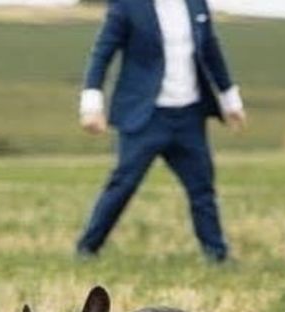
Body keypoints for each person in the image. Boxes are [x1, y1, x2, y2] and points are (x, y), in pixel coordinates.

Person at [76, 0, 246, 263]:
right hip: (145, 117)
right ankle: (87, 249)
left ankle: (217, 255)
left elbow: (211, 49)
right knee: (122, 184)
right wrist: (91, 106)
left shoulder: (196, 4)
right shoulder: (126, 7)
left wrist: (230, 100)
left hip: (189, 116)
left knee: (202, 188)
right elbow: (102, 53)